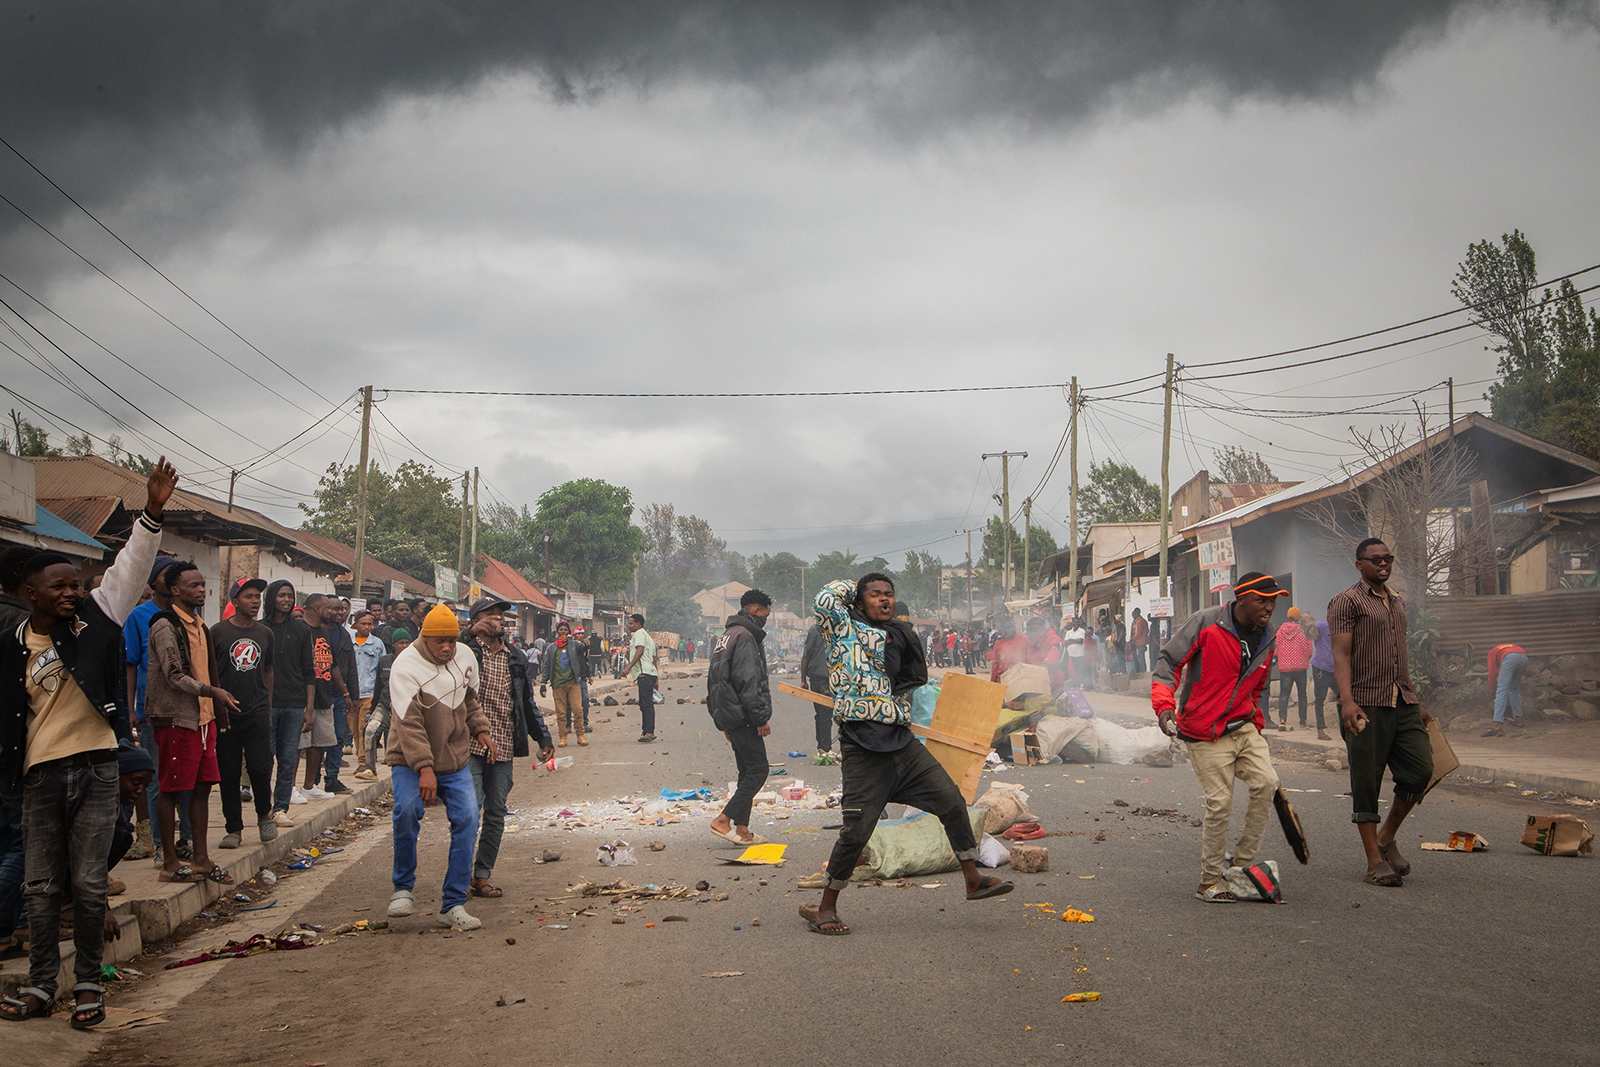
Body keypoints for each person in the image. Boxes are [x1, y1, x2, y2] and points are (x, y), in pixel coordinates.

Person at [0, 458, 175, 1028]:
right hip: (39, 775)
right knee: (43, 885)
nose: (74, 592)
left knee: (91, 882)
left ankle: (89, 988)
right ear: (31, 593)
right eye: (62, 586)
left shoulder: (97, 620)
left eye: (78, 584)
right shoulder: (11, 645)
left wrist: (151, 511)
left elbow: (129, 566)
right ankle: (42, 985)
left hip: (98, 768)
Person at [803, 574, 1011, 936]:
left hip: (901, 742)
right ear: (858, 600)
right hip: (863, 748)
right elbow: (824, 598)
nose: (885, 600)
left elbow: (912, 679)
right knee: (856, 833)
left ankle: (973, 878)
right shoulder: (842, 628)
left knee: (951, 801)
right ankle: (826, 907)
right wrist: (854, 587)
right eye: (875, 595)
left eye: (889, 594)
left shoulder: (899, 635)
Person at [1153, 571, 1285, 902]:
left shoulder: (1269, 637)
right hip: (1202, 729)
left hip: (1242, 726)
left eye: (1272, 601)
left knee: (1267, 783)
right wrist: (1165, 706)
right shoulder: (1206, 622)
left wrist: (1256, 721)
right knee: (1220, 801)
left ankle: (1240, 865)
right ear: (1241, 599)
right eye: (1261, 600)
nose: (1268, 607)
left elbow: (1258, 685)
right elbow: (1168, 661)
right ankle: (1209, 881)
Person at [1328, 538, 1434, 889]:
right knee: (1366, 781)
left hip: (1401, 701)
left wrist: (1415, 699)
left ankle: (1387, 836)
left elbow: (1399, 655)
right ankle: (1374, 861)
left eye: (1388, 558)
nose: (1383, 563)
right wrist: (1346, 701)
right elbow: (1341, 655)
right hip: (1365, 702)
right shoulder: (1346, 601)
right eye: (1375, 559)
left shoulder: (1398, 601)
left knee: (1421, 770)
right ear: (1359, 565)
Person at [385, 604, 495, 931]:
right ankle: (403, 888)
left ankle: (453, 903)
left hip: (454, 758)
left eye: (451, 640)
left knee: (469, 817)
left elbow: (469, 700)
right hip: (410, 759)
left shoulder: (464, 658)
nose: (447, 647)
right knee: (407, 811)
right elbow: (409, 724)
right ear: (424, 637)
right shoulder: (405, 666)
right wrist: (425, 769)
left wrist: (482, 730)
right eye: (439, 641)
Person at [146, 561, 240, 884]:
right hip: (177, 718)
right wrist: (212, 691)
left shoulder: (200, 625)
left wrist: (214, 704)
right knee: (171, 789)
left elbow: (207, 669)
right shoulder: (164, 625)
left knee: (202, 787)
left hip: (204, 719)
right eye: (193, 586)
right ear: (175, 590)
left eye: (202, 585)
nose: (201, 590)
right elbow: (174, 675)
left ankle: (201, 858)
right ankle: (169, 861)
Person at [460, 598, 553, 899]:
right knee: (469, 812)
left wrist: (544, 738)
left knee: (496, 813)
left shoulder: (515, 656)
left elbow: (525, 703)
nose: (499, 619)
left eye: (501, 615)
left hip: (503, 745)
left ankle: (481, 875)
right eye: (492, 614)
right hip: (469, 744)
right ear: (477, 620)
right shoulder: (466, 650)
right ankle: (459, 877)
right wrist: (469, 633)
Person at [125, 555, 191, 859]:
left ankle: (187, 839)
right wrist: (131, 709)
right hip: (154, 709)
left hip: (188, 708)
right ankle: (159, 843)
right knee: (157, 777)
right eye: (169, 575)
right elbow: (130, 664)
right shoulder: (139, 616)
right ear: (155, 581)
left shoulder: (188, 614)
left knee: (189, 777)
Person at [707, 589, 775, 847]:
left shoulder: (727, 635)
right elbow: (748, 681)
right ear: (756, 610)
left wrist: (722, 719)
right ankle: (723, 819)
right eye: (766, 615)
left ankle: (743, 828)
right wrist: (759, 717)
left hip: (731, 715)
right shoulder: (745, 637)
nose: (766, 620)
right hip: (744, 716)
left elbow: (715, 679)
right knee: (758, 770)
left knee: (746, 771)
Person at [214, 578, 277, 847]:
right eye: (249, 596)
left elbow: (268, 670)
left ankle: (265, 816)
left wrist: (267, 703)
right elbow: (211, 673)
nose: (255, 601)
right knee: (228, 771)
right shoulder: (216, 632)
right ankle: (234, 828)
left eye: (257, 597)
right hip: (227, 713)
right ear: (234, 601)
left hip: (257, 711)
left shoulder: (265, 634)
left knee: (260, 768)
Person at [262, 580, 315, 824]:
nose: (286, 599)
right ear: (271, 597)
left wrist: (309, 709)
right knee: (264, 758)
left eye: (290, 596)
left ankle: (280, 808)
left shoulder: (302, 630)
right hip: (266, 704)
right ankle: (263, 806)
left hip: (294, 703)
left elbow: (309, 671)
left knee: (287, 758)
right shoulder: (260, 629)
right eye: (281, 595)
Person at [299, 594, 347, 800]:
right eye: (328, 608)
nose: (332, 612)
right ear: (318, 609)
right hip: (302, 697)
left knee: (318, 743)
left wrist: (345, 693)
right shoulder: (301, 631)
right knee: (299, 744)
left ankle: (309, 787)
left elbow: (332, 665)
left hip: (324, 696)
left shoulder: (324, 634)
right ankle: (291, 788)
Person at [357, 628, 410, 779]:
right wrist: (372, 709)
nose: (404, 646)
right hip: (385, 705)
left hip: (405, 708)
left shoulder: (414, 661)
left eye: (407, 642)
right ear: (393, 644)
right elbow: (378, 687)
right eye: (401, 643)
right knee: (370, 732)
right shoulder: (384, 661)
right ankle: (369, 769)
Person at [539, 620, 588, 747]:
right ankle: (563, 737)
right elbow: (546, 666)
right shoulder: (551, 648)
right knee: (561, 713)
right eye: (561, 630)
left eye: (565, 630)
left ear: (569, 632)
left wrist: (586, 644)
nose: (563, 632)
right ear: (557, 631)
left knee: (578, 710)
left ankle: (580, 736)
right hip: (557, 684)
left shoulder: (574, 645)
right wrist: (543, 683)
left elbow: (582, 648)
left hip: (573, 683)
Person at [350, 610, 386, 765]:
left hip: (369, 692)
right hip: (351, 694)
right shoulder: (349, 641)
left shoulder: (377, 644)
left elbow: (382, 667)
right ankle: (361, 757)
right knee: (354, 730)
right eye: (363, 624)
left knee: (364, 729)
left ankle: (364, 762)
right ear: (356, 624)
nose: (366, 627)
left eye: (369, 624)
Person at [1274, 606, 1313, 731]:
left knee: (1284, 694)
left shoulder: (1280, 631)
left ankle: (1282, 720)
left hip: (1285, 667)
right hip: (1300, 667)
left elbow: (1276, 649)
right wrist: (1305, 658)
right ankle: (1302, 722)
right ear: (1298, 617)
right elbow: (1309, 649)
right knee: (1302, 695)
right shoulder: (1302, 630)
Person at [799, 622, 834, 754]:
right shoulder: (836, 628)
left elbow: (805, 656)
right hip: (828, 678)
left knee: (820, 713)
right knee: (826, 714)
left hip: (815, 678)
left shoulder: (813, 629)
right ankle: (825, 748)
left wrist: (803, 680)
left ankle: (821, 746)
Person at [625, 613, 658, 743]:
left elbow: (640, 651)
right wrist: (656, 679)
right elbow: (654, 659)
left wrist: (628, 668)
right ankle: (647, 731)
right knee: (645, 703)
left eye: (631, 623)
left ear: (638, 624)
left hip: (644, 673)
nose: (629, 625)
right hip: (650, 673)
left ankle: (649, 732)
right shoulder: (648, 637)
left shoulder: (639, 634)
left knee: (646, 704)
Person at [1484, 643, 1529, 736]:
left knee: (1501, 690)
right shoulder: (1508, 647)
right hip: (1524, 658)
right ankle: (1519, 720)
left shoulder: (1492, 653)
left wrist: (1493, 690)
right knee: (1514, 688)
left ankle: (1496, 725)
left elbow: (1492, 673)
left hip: (1509, 659)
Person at [1306, 611, 1335, 740]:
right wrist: (1308, 622)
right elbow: (1310, 633)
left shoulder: (1343, 631)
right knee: (1320, 699)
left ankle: (1347, 728)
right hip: (1320, 668)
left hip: (1335, 669)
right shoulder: (1322, 626)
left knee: (1344, 697)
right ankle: (1320, 730)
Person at [1023, 615, 1065, 690]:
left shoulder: (1053, 638)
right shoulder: (1031, 643)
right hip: (1042, 683)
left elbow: (1055, 651)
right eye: (1029, 630)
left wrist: (1046, 664)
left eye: (1034, 629)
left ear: (1043, 629)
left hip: (1060, 683)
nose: (1031, 633)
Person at [988, 614, 1028, 683]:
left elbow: (1029, 659)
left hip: (1020, 678)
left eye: (1012, 626)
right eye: (1007, 627)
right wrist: (992, 682)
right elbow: (995, 664)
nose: (1011, 629)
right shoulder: (998, 643)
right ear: (1002, 629)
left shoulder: (1024, 639)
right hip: (1003, 679)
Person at [1061, 616, 1088, 682]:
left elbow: (1080, 641)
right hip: (1070, 655)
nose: (1076, 623)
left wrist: (1071, 640)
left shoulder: (1082, 631)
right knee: (1071, 670)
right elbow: (1066, 642)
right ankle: (1073, 684)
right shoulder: (1068, 632)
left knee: (1079, 671)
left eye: (1078, 622)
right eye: (1075, 622)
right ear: (1073, 623)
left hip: (1079, 655)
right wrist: (1075, 640)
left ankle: (1079, 684)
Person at [1130, 608, 1150, 673]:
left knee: (1140, 658)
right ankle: (1143, 670)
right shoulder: (1144, 620)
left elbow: (1138, 632)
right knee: (1142, 658)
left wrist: (1133, 638)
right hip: (1143, 642)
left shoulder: (1138, 621)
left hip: (1139, 642)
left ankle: (1142, 672)